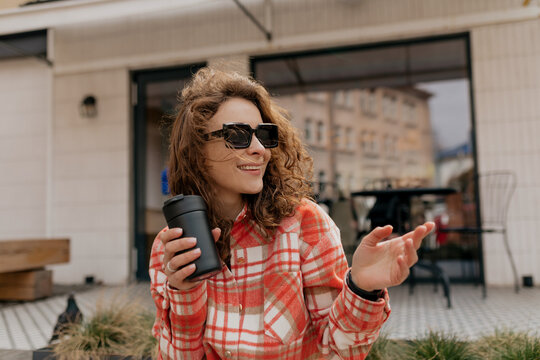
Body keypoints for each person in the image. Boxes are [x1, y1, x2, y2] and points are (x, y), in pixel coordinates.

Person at [149, 67, 435, 360]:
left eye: (263, 134)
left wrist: (361, 288)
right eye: (237, 135)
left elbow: (337, 352)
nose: (260, 149)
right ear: (197, 151)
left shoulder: (304, 225)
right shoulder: (171, 249)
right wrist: (183, 292)